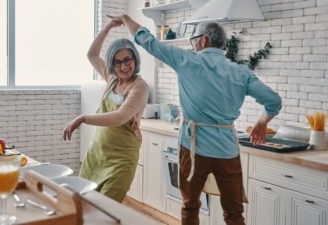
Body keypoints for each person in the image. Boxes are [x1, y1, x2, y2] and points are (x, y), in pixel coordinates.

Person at [110, 15, 282, 225]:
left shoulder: (186, 60)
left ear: (203, 40)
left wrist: (127, 19)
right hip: (227, 151)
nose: (193, 46)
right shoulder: (240, 72)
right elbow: (274, 101)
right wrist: (262, 122)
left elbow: (148, 41)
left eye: (193, 41)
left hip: (193, 150)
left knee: (190, 207)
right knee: (234, 213)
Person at [62, 18, 149, 203]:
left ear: (134, 58)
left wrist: (83, 118)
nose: (124, 66)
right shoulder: (112, 79)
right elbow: (92, 55)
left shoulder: (139, 87)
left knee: (105, 209)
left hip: (121, 159)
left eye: (127, 59)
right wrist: (108, 27)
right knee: (83, 203)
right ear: (112, 64)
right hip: (97, 153)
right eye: (117, 62)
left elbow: (120, 117)